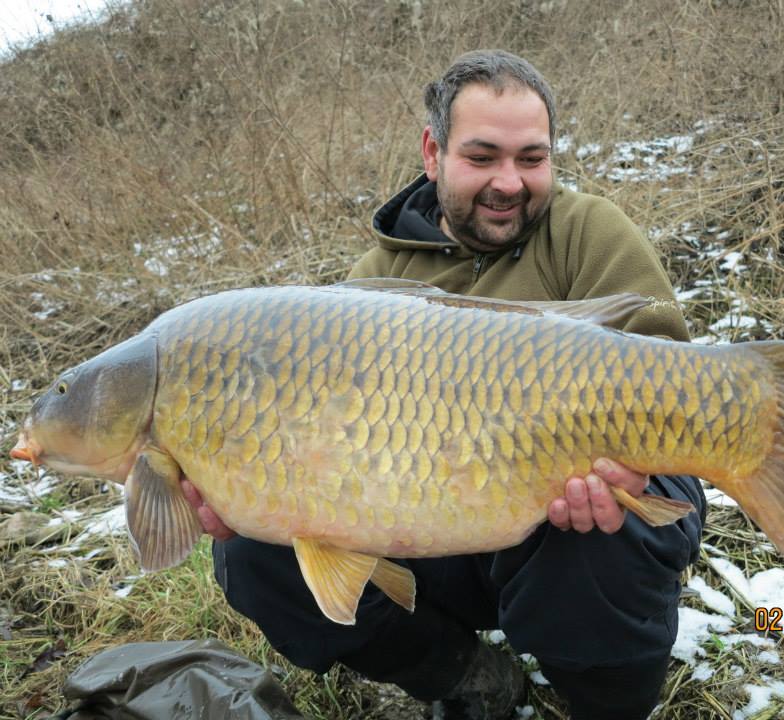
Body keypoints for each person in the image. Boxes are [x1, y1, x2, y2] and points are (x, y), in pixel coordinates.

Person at [183, 50, 706, 720]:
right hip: (428, 519)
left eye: (532, 158)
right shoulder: (372, 278)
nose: (510, 182)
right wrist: (259, 495)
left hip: (576, 510)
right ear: (433, 152)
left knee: (605, 534)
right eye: (482, 157)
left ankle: (605, 704)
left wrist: (632, 469)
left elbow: (671, 376)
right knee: (253, 553)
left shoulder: (587, 232)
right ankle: (466, 678)